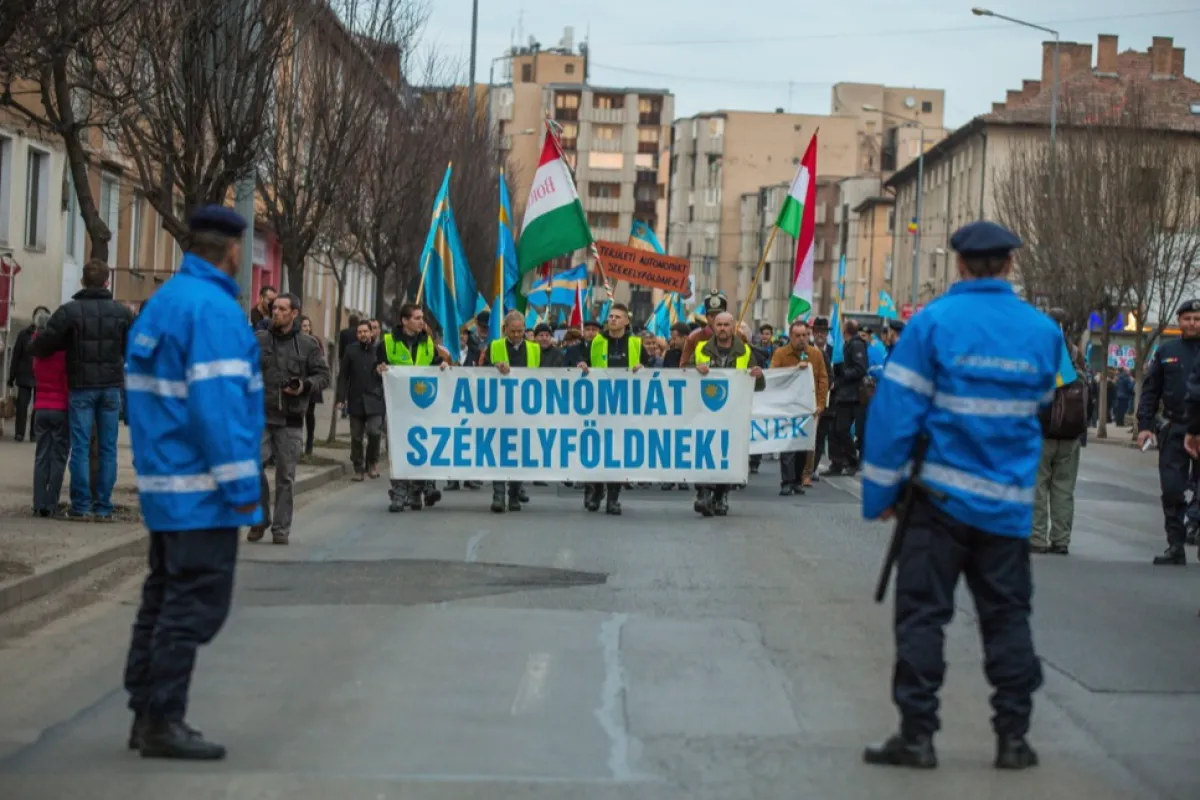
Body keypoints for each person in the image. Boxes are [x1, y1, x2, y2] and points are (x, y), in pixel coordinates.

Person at [860, 220, 1058, 771]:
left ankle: (918, 737)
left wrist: (882, 494)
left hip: (937, 502)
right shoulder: (1043, 332)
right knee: (1008, 618)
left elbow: (895, 415)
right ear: (1010, 264)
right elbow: (1042, 403)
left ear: (960, 264)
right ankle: (1013, 739)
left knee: (922, 618)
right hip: (1008, 508)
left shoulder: (932, 323)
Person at [122, 205, 264, 760]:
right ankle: (163, 719)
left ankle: (145, 711)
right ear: (233, 252)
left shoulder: (164, 303)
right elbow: (219, 412)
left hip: (166, 487)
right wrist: (243, 491)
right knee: (193, 606)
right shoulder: (215, 312)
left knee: (162, 599)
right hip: (203, 492)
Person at [32, 259, 133, 520]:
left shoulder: (69, 312)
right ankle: (103, 506)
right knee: (108, 448)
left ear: (82, 282)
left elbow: (43, 344)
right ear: (107, 282)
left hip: (81, 388)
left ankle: (81, 505)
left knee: (80, 447)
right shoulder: (122, 314)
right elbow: (133, 347)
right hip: (111, 388)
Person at [250, 294, 330, 544]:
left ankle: (281, 528)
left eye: (282, 309)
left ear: (294, 313)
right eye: (274, 308)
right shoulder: (259, 340)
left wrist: (304, 385)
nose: (276, 312)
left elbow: (323, 376)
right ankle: (260, 517)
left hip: (291, 419)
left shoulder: (307, 345)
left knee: (285, 476)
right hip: (261, 416)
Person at [1137, 298, 1200, 566]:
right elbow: (1151, 391)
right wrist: (1145, 426)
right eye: (1187, 319)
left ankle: (1194, 525)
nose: (1192, 323)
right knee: (1172, 488)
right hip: (1175, 427)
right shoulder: (1166, 351)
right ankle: (1175, 544)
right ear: (1179, 321)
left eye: (1197, 319)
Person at [687, 311, 766, 516]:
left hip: (733, 414)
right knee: (703, 453)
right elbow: (684, 374)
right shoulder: (701, 349)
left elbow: (758, 386)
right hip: (704, 412)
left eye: (726, 325)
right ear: (714, 327)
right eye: (719, 324)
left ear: (733, 327)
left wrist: (757, 376)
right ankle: (703, 493)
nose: (722, 328)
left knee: (726, 455)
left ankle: (721, 495)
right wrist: (695, 369)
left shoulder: (745, 352)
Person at [577, 303, 652, 514]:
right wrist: (582, 365)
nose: (613, 320)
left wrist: (643, 368)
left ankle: (613, 498)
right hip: (599, 405)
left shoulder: (635, 343)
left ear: (626, 321)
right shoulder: (596, 341)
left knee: (617, 452)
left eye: (618, 317)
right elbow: (584, 361)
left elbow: (649, 369)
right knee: (597, 450)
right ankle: (595, 491)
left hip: (625, 406)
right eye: (610, 316)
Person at [378, 303, 448, 512]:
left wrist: (442, 365)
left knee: (421, 449)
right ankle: (399, 493)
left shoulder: (427, 343)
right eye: (417, 318)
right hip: (397, 407)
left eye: (422, 318)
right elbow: (377, 367)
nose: (421, 322)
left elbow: (434, 363)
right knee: (397, 449)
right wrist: (379, 368)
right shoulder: (388, 343)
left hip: (422, 407)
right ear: (404, 321)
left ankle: (416, 491)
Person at [1031, 309, 1087, 556]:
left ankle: (1037, 538)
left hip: (1041, 431)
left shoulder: (1037, 350)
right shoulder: (1075, 354)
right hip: (1070, 431)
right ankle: (1061, 540)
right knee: (1064, 489)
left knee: (1038, 486)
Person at [483, 312, 541, 512]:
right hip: (499, 407)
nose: (517, 335)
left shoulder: (534, 349)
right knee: (499, 452)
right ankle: (498, 495)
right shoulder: (495, 346)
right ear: (505, 329)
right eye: (513, 331)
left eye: (520, 331)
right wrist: (495, 366)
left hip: (524, 408)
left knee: (519, 453)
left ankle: (514, 495)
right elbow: (479, 372)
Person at [771, 319, 828, 496]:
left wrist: (820, 404)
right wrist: (795, 370)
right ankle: (786, 482)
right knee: (788, 446)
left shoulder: (815, 354)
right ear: (790, 336)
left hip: (808, 408)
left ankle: (797, 480)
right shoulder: (781, 354)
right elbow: (773, 377)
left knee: (803, 446)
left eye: (804, 335)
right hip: (788, 408)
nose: (801, 339)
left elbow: (823, 380)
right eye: (797, 335)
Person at [31, 308, 69, 516]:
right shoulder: (61, 350)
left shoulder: (36, 349)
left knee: (41, 456)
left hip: (40, 408)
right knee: (58, 457)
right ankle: (51, 504)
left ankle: (38, 504)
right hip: (60, 408)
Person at [336, 320, 385, 481]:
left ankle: (372, 462)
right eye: (360, 332)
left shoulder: (380, 350)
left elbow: (388, 370)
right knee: (356, 436)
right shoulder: (351, 351)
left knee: (374, 432)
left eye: (365, 331)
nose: (363, 334)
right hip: (356, 399)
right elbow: (343, 376)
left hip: (375, 399)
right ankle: (358, 467)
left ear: (371, 333)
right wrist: (340, 398)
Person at [822, 319, 868, 477]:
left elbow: (860, 369)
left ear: (845, 331)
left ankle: (852, 461)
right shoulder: (846, 344)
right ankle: (836, 463)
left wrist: (842, 374)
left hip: (852, 396)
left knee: (842, 429)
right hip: (843, 394)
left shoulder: (856, 344)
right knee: (834, 430)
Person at [7, 306, 47, 442]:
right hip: (24, 374)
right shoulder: (24, 334)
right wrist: (11, 376)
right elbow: (16, 356)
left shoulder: (48, 335)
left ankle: (34, 434)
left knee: (37, 406)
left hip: (40, 376)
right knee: (22, 405)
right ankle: (20, 433)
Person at [805, 316, 834, 486]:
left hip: (828, 401)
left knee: (821, 436)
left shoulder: (834, 351)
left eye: (823, 332)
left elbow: (839, 373)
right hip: (808, 400)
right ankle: (805, 469)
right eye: (817, 331)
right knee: (810, 436)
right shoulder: (807, 350)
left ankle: (813, 468)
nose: (820, 334)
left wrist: (833, 384)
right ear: (813, 333)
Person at [298, 316, 325, 457]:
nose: (307, 328)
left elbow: (321, 361)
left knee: (309, 413)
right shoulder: (295, 341)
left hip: (312, 381)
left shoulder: (315, 341)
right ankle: (297, 444)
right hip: (299, 381)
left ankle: (309, 443)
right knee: (298, 414)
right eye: (304, 326)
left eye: (308, 326)